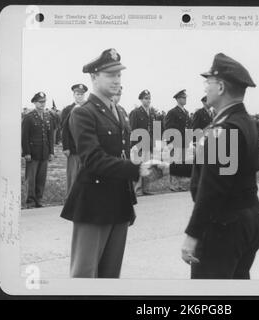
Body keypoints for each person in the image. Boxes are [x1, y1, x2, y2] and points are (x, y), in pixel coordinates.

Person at [161, 53, 259, 279]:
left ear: (220, 87)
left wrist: (192, 235)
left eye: (208, 82)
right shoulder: (247, 123)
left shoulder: (224, 130)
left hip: (223, 226)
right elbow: (220, 168)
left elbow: (212, 188)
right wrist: (170, 168)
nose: (205, 88)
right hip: (249, 220)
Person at [60, 48, 158, 278]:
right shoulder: (83, 113)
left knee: (110, 276)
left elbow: (122, 152)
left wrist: (143, 162)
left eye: (119, 75)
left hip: (119, 202)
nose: (117, 80)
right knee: (85, 275)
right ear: (94, 77)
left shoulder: (120, 112)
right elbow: (93, 159)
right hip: (94, 203)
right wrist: (136, 170)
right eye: (110, 75)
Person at [22, 92, 54, 208]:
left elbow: (50, 136)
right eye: (40, 102)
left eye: (44, 102)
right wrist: (26, 152)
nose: (42, 104)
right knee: (31, 179)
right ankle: (30, 202)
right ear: (34, 103)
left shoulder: (48, 116)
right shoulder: (29, 117)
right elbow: (24, 136)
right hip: (32, 153)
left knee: (41, 178)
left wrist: (51, 152)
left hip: (44, 152)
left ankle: (39, 200)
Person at [61, 84, 88, 198]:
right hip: (73, 148)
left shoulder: (88, 108)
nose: (80, 96)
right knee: (72, 175)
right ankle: (70, 199)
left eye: (82, 94)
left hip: (86, 149)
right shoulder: (68, 110)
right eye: (77, 94)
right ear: (73, 95)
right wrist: (66, 147)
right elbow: (64, 130)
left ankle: (82, 199)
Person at [129, 90, 157, 196]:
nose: (148, 100)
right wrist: (134, 145)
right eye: (146, 98)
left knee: (147, 167)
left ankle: (146, 188)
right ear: (141, 100)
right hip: (138, 145)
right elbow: (132, 129)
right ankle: (137, 189)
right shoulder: (135, 112)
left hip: (148, 144)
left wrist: (153, 145)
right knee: (138, 167)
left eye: (149, 98)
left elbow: (154, 130)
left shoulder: (152, 114)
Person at [164, 89, 191, 191]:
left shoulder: (186, 112)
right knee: (175, 162)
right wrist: (170, 143)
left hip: (184, 142)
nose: (185, 100)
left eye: (185, 98)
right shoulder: (172, 112)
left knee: (182, 163)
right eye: (183, 98)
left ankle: (181, 184)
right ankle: (173, 184)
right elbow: (168, 128)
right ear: (178, 99)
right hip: (176, 142)